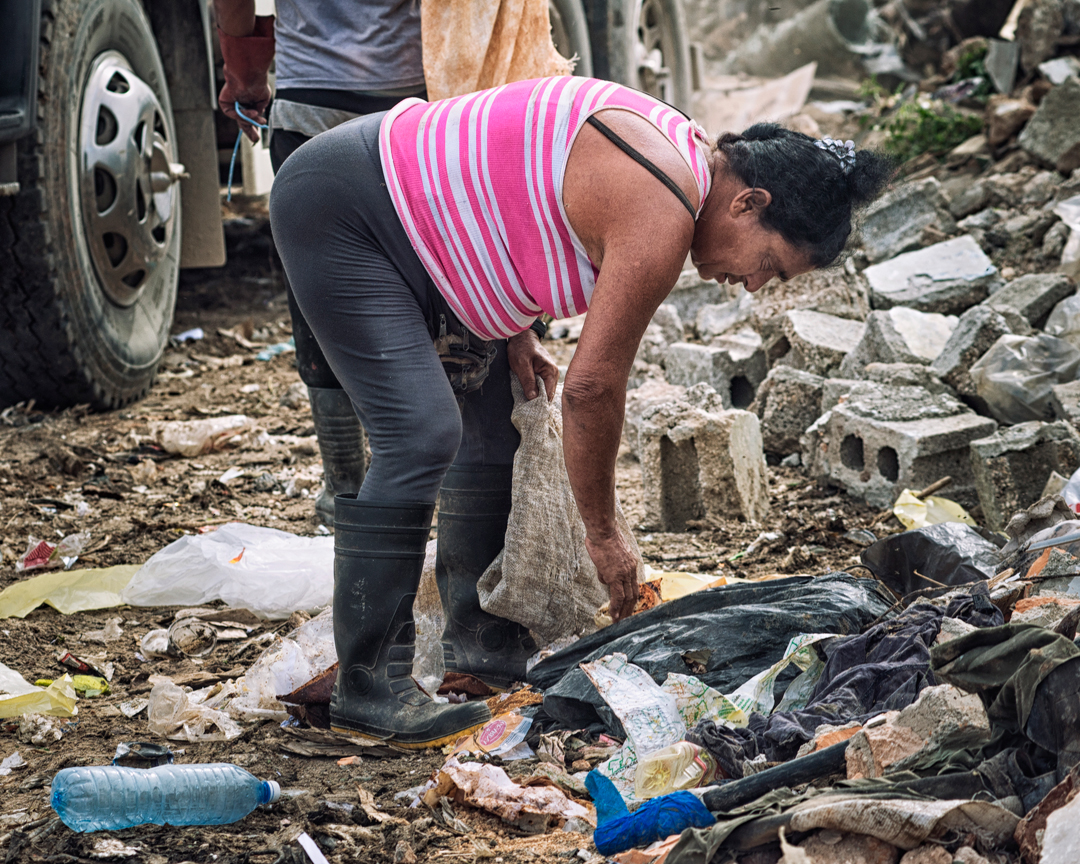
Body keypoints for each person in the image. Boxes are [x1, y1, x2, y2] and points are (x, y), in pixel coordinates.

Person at [269, 76, 893, 748]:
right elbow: (593, 388)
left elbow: (509, 189)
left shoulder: (681, 161)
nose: (754, 284)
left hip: (407, 222)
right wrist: (603, 533)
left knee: (497, 421)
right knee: (419, 434)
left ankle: (481, 653)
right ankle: (370, 688)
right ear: (749, 202)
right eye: (769, 262)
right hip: (348, 206)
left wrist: (516, 328)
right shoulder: (663, 205)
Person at [214, 0, 427, 525]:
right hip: (411, 106)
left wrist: (244, 71)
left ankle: (344, 487)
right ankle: (427, 479)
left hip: (311, 106)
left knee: (322, 299)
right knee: (430, 285)